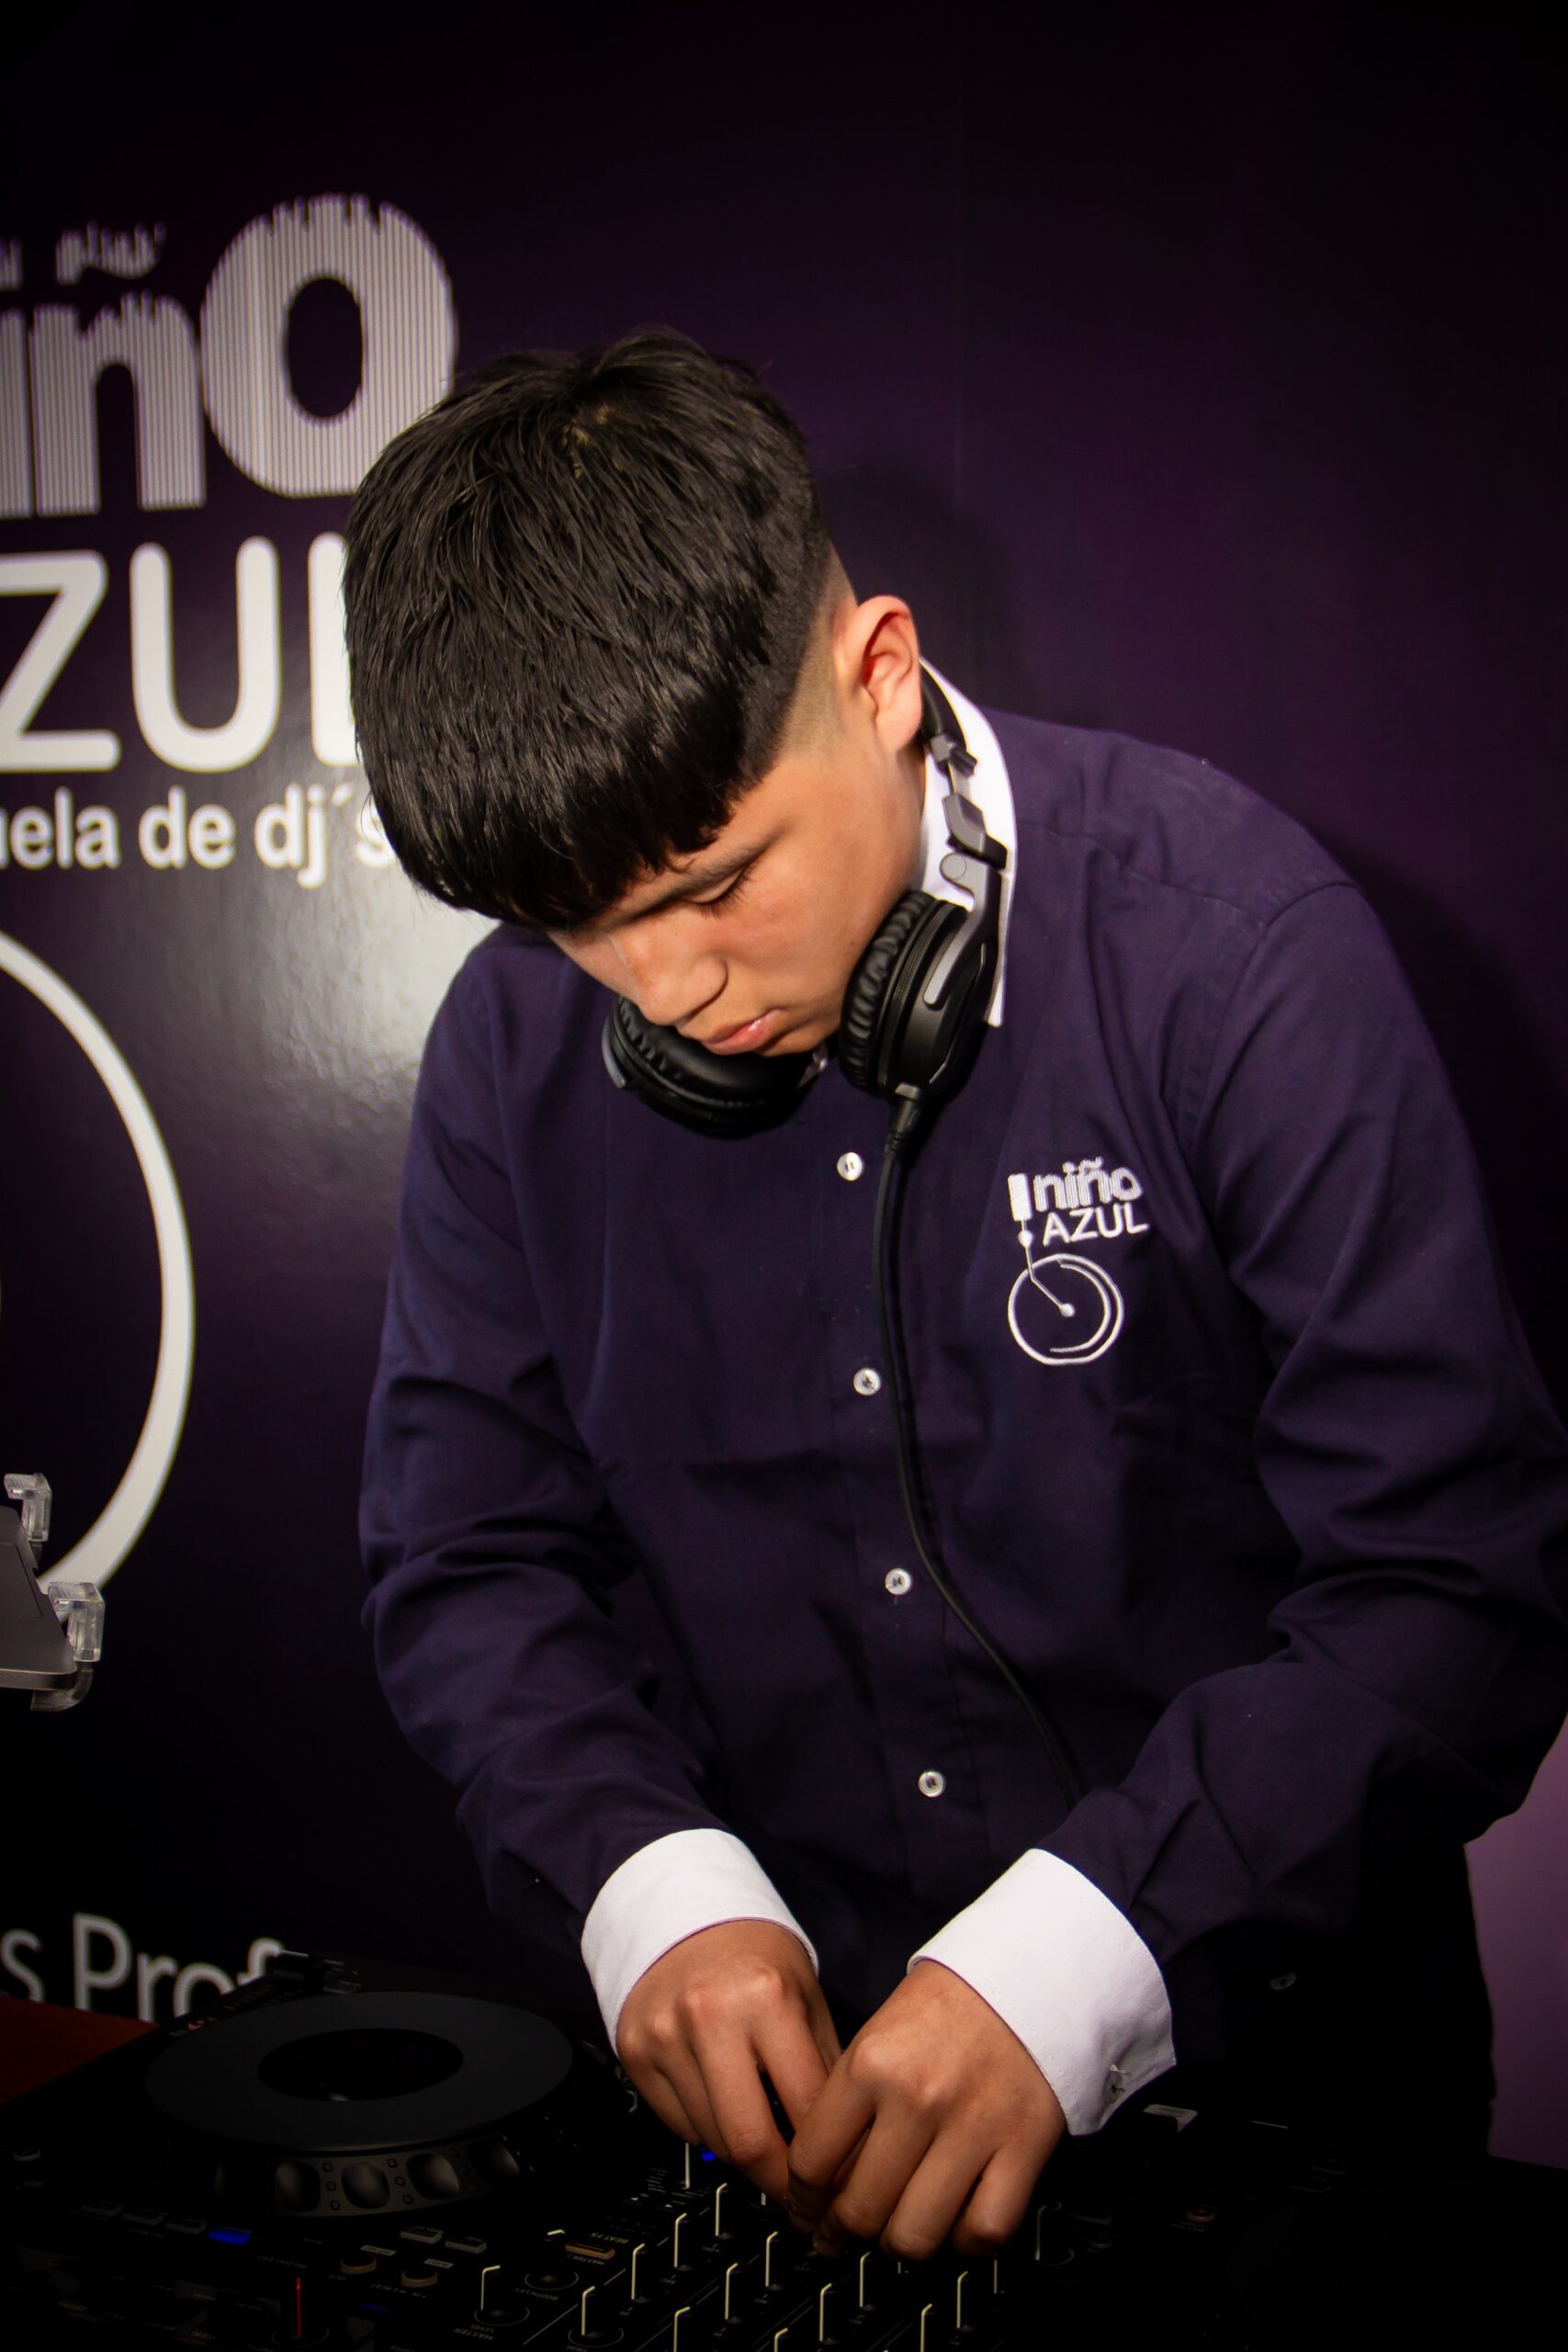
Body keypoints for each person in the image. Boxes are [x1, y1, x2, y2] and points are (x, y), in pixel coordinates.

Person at [347, 330, 1568, 2263]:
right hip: (803, 2131)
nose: (666, 993)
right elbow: (468, 1558)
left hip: (1285, 2101)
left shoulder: (1232, 952)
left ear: (881, 674)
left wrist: (1083, 1954)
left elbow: (1456, 1584)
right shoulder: (509, 1052)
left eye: (714, 882)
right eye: (579, 929)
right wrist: (649, 1886)